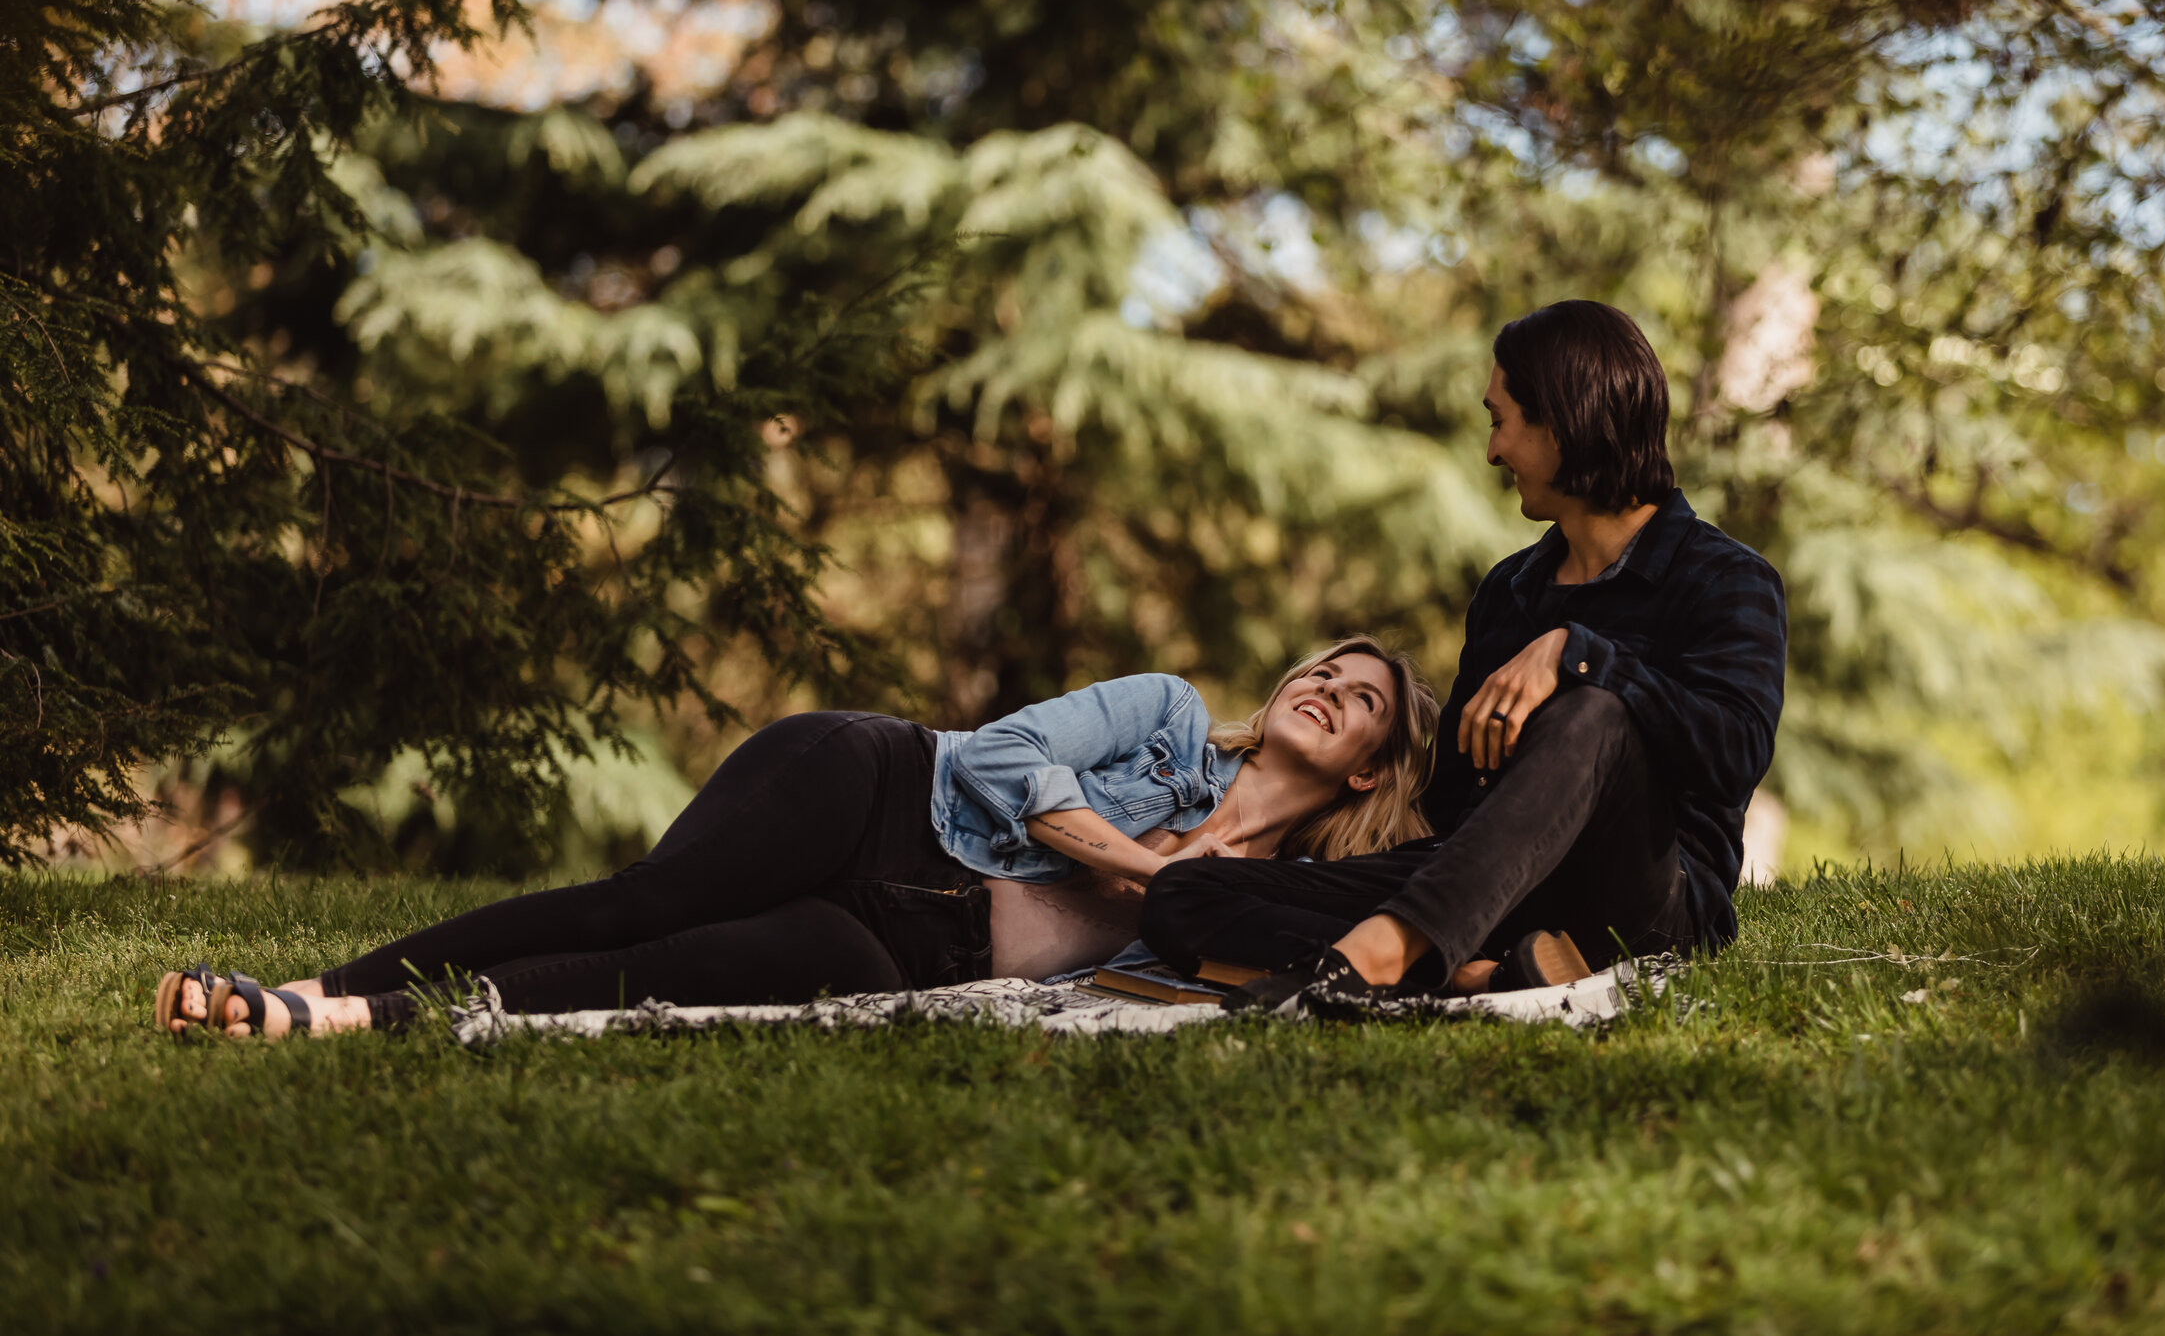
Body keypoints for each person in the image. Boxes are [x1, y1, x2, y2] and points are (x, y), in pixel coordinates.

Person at [157, 638, 1436, 1038]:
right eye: (1322, 665)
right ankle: (318, 983)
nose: (1326, 683)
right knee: (637, 904)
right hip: (875, 787)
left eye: (1362, 696)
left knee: (662, 976)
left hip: (918, 942)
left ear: (1369, 763)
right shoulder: (1160, 722)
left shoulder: (1277, 894)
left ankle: (327, 1025)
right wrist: (1153, 863)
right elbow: (998, 755)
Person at [1141, 300, 1787, 1006]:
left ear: (1566, 422)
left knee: (1594, 714)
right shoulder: (1509, 590)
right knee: (1184, 891)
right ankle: (1477, 975)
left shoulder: (1727, 577)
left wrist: (1581, 656)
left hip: (1640, 908)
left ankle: (1376, 957)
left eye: (1500, 420)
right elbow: (1454, 799)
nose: (1493, 450)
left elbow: (1737, 751)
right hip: (1482, 892)